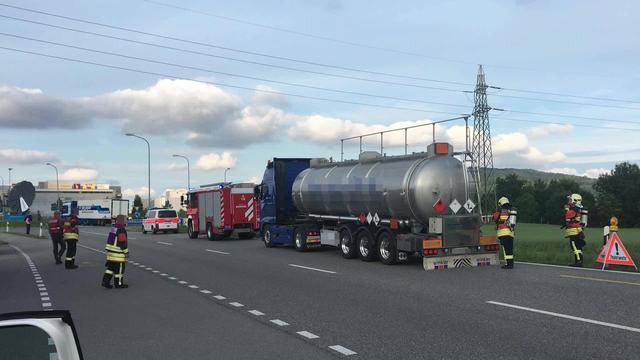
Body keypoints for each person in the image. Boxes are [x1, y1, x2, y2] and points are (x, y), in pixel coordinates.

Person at [102, 215, 129, 289]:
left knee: (110, 269)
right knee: (119, 270)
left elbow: (110, 240)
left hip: (110, 253)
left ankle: (105, 282)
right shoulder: (121, 229)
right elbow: (122, 242)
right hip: (118, 255)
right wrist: (126, 252)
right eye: (126, 220)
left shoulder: (113, 228)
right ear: (122, 221)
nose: (126, 221)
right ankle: (119, 284)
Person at [564, 193, 588, 267]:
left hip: (574, 231)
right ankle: (580, 261)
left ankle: (578, 262)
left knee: (574, 246)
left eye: (570, 200)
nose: (569, 201)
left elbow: (569, 220)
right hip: (578, 230)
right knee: (578, 247)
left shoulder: (573, 210)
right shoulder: (579, 209)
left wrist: (567, 210)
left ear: (574, 201)